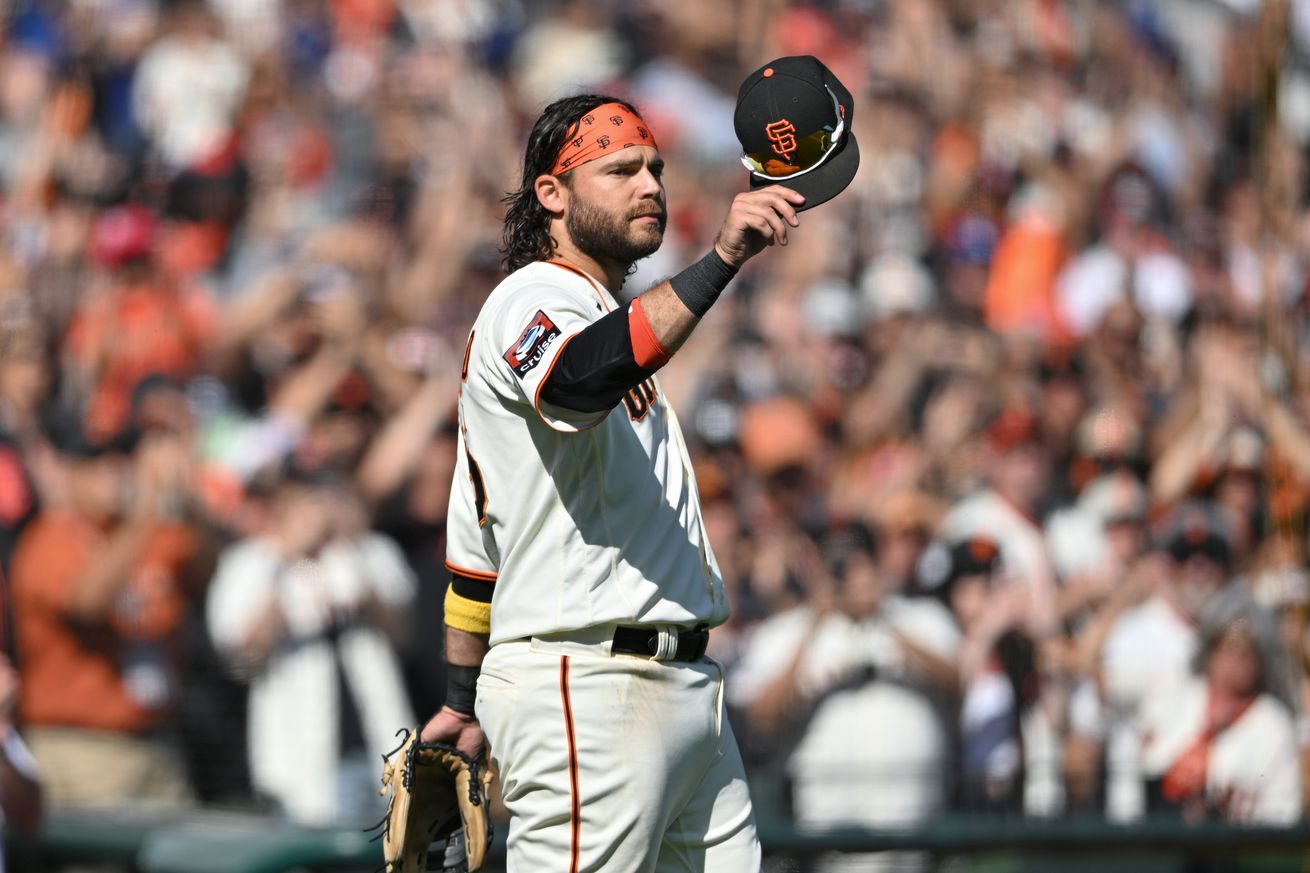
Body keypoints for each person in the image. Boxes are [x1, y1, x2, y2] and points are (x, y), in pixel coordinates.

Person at [420, 56, 857, 872]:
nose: (650, 184)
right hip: (588, 680)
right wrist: (721, 258)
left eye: (655, 168)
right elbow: (581, 377)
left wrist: (460, 701)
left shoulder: (612, 320)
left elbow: (475, 556)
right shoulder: (530, 297)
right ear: (553, 194)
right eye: (621, 170)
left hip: (681, 687)